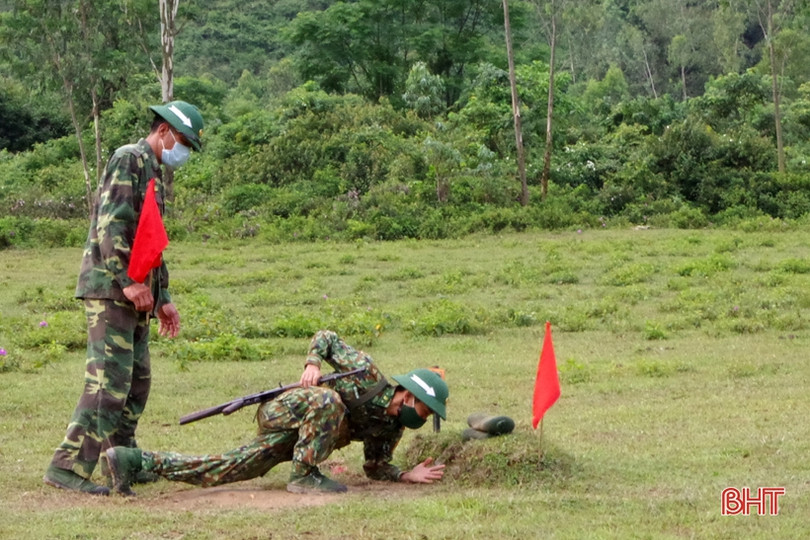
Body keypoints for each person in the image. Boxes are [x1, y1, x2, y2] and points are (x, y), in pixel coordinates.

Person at [43, 101, 205, 495]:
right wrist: (126, 282)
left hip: (138, 295)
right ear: (164, 131)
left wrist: (162, 293)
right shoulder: (128, 159)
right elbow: (110, 224)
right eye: (182, 141)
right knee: (108, 383)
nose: (181, 151)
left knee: (137, 382)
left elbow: (151, 243)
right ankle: (67, 466)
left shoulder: (153, 171)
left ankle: (121, 457)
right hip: (111, 290)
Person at [104, 330, 449, 495]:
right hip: (288, 411)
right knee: (329, 402)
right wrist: (313, 363)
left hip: (302, 439)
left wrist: (404, 475)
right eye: (422, 407)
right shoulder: (367, 374)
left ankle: (132, 461)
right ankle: (303, 476)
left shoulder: (389, 429)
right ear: (407, 394)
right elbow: (326, 337)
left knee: (224, 469)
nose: (421, 417)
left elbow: (375, 466)